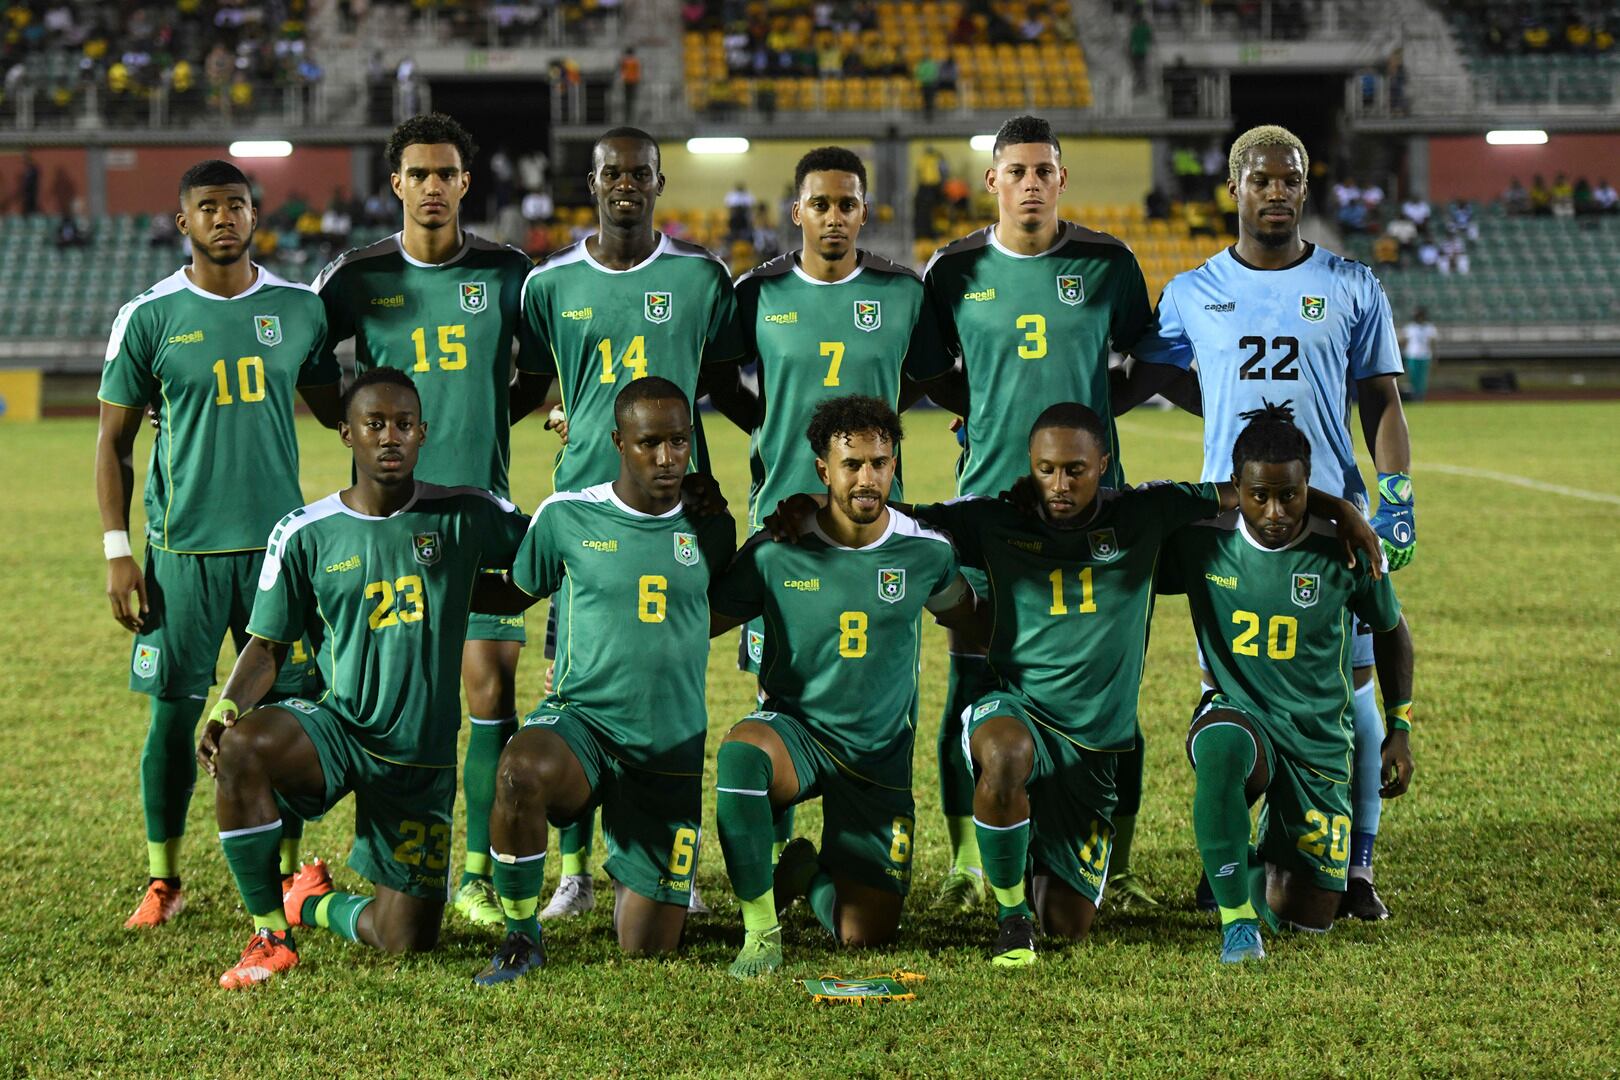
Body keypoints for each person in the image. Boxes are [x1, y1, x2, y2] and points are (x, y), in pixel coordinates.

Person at [905, 403, 1379, 965]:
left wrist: (1341, 510)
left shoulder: (1147, 511)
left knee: (1068, 924)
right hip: (1019, 713)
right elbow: (896, 517)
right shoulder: (992, 517)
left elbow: (1254, 490)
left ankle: (1036, 850)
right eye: (1046, 469)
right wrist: (816, 511)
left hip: (1094, 751)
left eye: (1075, 470)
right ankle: (1012, 920)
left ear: (1103, 464)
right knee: (1006, 754)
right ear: (1030, 464)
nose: (1059, 484)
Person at [1125, 124, 1415, 919]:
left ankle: (1357, 865)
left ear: (1306, 187)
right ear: (1235, 189)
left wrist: (1395, 495)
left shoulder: (1352, 284)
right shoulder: (1192, 290)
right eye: (1262, 180)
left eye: (1290, 179)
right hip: (1234, 523)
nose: (1277, 192)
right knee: (1231, 682)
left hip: (1330, 520)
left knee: (1353, 688)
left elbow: (1381, 398)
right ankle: (1237, 846)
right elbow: (1145, 377)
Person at [197, 367, 533, 988]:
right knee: (241, 748)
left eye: (403, 424)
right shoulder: (304, 531)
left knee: (406, 938)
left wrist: (478, 593)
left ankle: (309, 901)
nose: (389, 437)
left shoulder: (466, 513)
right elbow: (266, 647)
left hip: (419, 758)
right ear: (346, 433)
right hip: (338, 729)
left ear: (422, 433)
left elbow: (549, 552)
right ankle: (271, 935)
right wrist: (226, 707)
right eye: (374, 424)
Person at [313, 113, 554, 931]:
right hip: (386, 525)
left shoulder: (508, 271)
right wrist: (355, 429)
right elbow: (306, 363)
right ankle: (379, 869)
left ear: (465, 182)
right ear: (396, 184)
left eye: (445, 173)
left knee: (491, 692)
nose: (432, 186)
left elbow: (539, 372)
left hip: (478, 514)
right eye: (417, 173)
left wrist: (490, 414)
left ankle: (475, 877)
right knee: (393, 704)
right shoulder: (357, 275)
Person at [95, 159, 338, 931]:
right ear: (183, 222)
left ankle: (292, 872)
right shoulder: (149, 316)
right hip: (182, 555)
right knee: (173, 721)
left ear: (255, 216)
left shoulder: (299, 309)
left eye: (237, 204)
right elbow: (113, 443)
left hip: (278, 555)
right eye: (208, 207)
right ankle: (163, 879)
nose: (224, 217)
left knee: (289, 715)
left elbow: (340, 409)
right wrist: (117, 549)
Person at [920, 114, 1155, 910]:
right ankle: (967, 861)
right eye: (1015, 171)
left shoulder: (1107, 263)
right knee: (969, 684)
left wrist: (1093, 420)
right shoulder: (953, 269)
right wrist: (983, 410)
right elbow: (931, 371)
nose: (1029, 184)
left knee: (1111, 697)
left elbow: (1144, 359)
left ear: (1062, 180)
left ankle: (1118, 865)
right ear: (991, 180)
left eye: (1042, 171)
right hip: (989, 509)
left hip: (1094, 515)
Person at [520, 126, 746, 919]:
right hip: (583, 514)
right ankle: (574, 873)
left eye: (639, 172)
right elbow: (540, 382)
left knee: (671, 678)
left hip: (677, 509)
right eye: (612, 172)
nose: (626, 183)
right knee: (571, 687)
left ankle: (669, 855)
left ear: (659, 182)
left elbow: (724, 383)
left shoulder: (702, 277)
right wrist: (566, 415)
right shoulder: (548, 284)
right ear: (592, 181)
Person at [471, 379, 736, 983]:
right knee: (519, 771)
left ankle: (636, 874)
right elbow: (515, 592)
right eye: (649, 443)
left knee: (648, 947)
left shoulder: (712, 526)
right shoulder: (566, 514)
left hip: (668, 749)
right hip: (582, 725)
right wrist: (444, 584)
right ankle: (520, 936)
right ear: (619, 441)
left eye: (679, 441)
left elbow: (717, 608)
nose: (667, 458)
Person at [709, 395, 976, 977]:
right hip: (799, 734)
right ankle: (760, 932)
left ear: (894, 465)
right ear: (823, 471)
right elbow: (699, 621)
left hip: (878, 757)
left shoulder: (926, 552)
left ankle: (806, 873)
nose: (867, 478)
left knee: (865, 935)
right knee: (741, 756)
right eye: (851, 464)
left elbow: (968, 615)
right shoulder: (777, 549)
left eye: (879, 463)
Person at [1162, 402, 1414, 962]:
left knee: (1308, 917)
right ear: (1235, 488)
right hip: (1239, 715)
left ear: (1308, 487)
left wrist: (1399, 726)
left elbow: (1392, 631)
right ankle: (1237, 923)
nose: (1274, 512)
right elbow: (1134, 526)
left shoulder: (1344, 547)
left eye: (1290, 496)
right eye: (1259, 496)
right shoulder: (1200, 540)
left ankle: (1247, 859)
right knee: (1221, 746)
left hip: (1316, 743)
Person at [719, 146, 950, 697]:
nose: (833, 217)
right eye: (819, 204)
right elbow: (719, 380)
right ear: (796, 211)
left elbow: (928, 376)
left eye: (847, 205)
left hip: (875, 512)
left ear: (864, 212)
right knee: (779, 680)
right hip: (782, 509)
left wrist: (880, 421)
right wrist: (773, 424)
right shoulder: (756, 292)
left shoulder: (903, 291)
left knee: (875, 671)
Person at [1400, 307, 1437, 401]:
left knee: (1422, 378)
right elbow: (1404, 341)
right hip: (1412, 355)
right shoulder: (1410, 327)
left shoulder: (1429, 327)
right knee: (1412, 376)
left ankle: (1421, 396)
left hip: (1425, 356)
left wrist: (1434, 356)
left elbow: (1432, 343)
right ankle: (1413, 396)